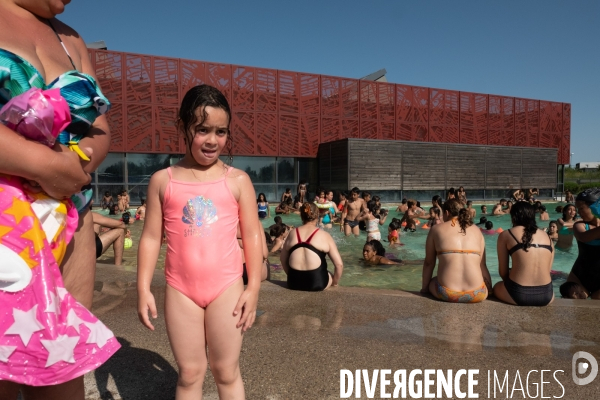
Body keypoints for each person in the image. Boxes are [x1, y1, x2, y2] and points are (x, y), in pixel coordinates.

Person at [0, 2, 117, 397]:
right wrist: (43, 165)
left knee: (62, 375)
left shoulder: (72, 39)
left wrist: (77, 160)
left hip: (69, 215)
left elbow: (100, 126)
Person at [137, 85, 263, 399]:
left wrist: (254, 287)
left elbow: (252, 235)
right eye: (202, 129)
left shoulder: (237, 180)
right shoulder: (163, 181)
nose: (212, 140)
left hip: (227, 288)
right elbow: (152, 237)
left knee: (226, 371)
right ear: (182, 127)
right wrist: (142, 288)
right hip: (181, 290)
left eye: (221, 132)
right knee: (190, 374)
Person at [421, 199, 492, 303]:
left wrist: (424, 289)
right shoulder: (477, 230)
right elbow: (483, 265)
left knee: (433, 281)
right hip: (478, 293)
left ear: (446, 212)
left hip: (448, 293)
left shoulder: (436, 229)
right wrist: (489, 290)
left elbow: (429, 263)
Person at [493, 202, 554, 306]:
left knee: (496, 287)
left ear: (513, 217)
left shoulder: (507, 234)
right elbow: (548, 270)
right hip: (547, 295)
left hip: (519, 294)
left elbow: (503, 272)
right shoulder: (547, 237)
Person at [280, 202, 344, 291]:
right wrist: (334, 282)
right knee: (329, 274)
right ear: (317, 215)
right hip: (317, 283)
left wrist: (290, 275)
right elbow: (339, 265)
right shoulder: (325, 235)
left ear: (301, 216)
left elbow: (283, 259)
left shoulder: (292, 233)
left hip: (293, 282)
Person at [559, 189, 600, 300]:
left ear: (596, 207)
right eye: (578, 209)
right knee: (573, 303)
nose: (579, 212)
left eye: (581, 208)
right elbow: (584, 237)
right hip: (580, 276)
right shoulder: (579, 225)